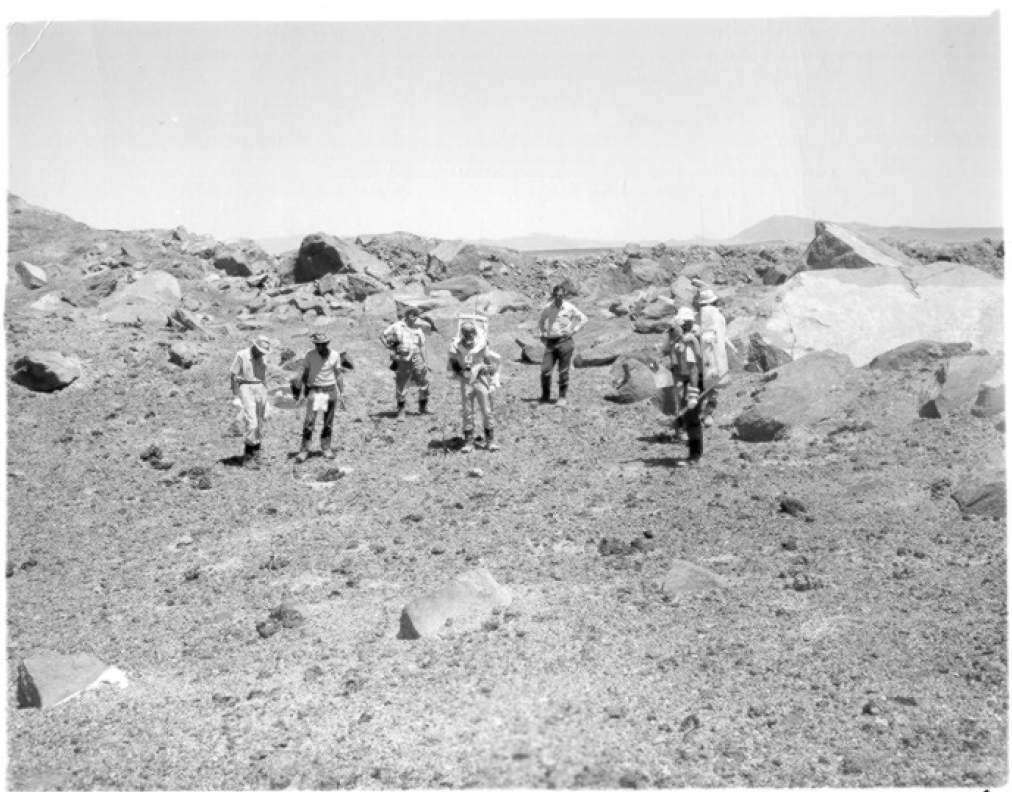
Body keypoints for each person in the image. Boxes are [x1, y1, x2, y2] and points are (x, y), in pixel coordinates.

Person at [447, 320, 502, 453]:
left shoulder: (481, 343)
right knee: (467, 411)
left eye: (471, 332)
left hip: (480, 378)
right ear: (462, 333)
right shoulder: (456, 345)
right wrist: (462, 372)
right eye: (466, 333)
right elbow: (453, 363)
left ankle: (490, 441)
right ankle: (469, 442)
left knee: (487, 410)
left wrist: (491, 375)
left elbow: (488, 360)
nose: (469, 335)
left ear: (475, 332)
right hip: (466, 380)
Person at [294, 331, 347, 463]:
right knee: (309, 422)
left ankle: (326, 448)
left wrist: (342, 393)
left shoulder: (335, 355)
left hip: (330, 390)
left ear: (327, 343)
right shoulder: (310, 355)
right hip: (315, 390)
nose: (320, 347)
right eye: (317, 344)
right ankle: (304, 450)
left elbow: (338, 374)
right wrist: (302, 392)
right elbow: (305, 373)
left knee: (328, 422)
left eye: (322, 344)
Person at [660, 307, 704, 466]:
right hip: (687, 381)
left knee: (692, 418)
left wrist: (692, 392)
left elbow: (693, 368)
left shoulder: (688, 341)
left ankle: (695, 456)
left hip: (694, 381)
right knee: (689, 417)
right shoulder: (681, 341)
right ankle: (693, 452)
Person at [537, 284, 587, 407]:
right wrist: (542, 333)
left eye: (561, 295)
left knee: (563, 370)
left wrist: (574, 330)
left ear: (564, 296)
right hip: (551, 342)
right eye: (556, 295)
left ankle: (562, 397)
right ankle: (545, 396)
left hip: (565, 341)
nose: (558, 297)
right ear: (553, 295)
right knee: (545, 370)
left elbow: (583, 318)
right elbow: (541, 320)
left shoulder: (569, 307)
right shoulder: (548, 307)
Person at [229, 335, 271, 470]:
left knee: (259, 422)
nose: (261, 353)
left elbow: (263, 376)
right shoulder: (241, 355)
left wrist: (266, 395)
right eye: (260, 350)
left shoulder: (264, 357)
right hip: (246, 387)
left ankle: (257, 455)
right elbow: (234, 374)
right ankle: (248, 457)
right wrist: (236, 395)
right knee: (251, 422)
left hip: (260, 388)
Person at [381, 306, 430, 421]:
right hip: (403, 358)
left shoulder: (418, 330)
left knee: (423, 381)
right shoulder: (397, 326)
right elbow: (383, 335)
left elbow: (422, 346)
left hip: (417, 357)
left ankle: (423, 406)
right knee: (402, 383)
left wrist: (425, 361)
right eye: (412, 314)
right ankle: (401, 410)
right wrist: (389, 347)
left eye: (416, 315)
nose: (415, 317)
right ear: (407, 315)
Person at [696, 288, 729, 427]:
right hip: (712, 358)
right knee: (712, 387)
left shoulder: (697, 318)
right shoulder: (718, 317)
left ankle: (703, 414)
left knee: (701, 386)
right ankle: (706, 414)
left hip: (701, 359)